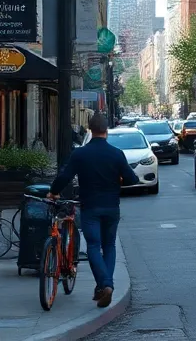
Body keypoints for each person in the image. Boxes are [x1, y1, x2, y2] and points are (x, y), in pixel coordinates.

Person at [49, 112, 137, 308]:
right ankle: (105, 286)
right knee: (109, 246)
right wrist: (118, 179)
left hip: (90, 206)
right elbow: (133, 179)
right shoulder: (116, 154)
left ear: (90, 129)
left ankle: (105, 285)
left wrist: (53, 192)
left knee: (93, 246)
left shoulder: (80, 154)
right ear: (106, 131)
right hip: (112, 207)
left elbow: (64, 176)